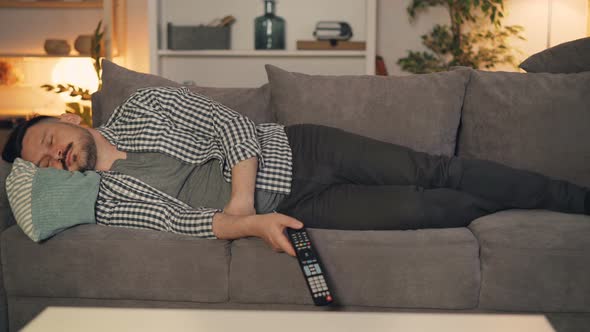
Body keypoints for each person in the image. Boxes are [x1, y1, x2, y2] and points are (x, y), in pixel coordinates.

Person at [3, 87, 589, 257]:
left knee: (437, 169)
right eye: (46, 162)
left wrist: (239, 205)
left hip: (303, 150)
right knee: (428, 209)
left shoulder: (143, 107)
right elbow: (183, 223)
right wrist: (251, 224)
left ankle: (572, 199)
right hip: (304, 208)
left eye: (51, 140)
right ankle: (513, 210)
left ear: (65, 117)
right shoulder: (107, 195)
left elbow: (231, 127)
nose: (58, 156)